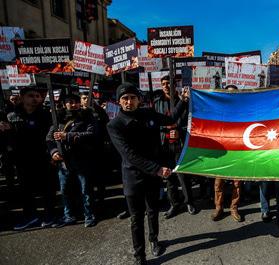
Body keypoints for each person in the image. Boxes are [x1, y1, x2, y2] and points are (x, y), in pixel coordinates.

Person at [107, 83, 188, 265]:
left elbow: (171, 120)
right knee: (136, 218)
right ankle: (139, 255)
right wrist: (158, 169)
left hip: (152, 177)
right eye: (125, 98)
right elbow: (130, 155)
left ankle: (154, 240)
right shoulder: (114, 125)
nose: (129, 102)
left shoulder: (148, 114)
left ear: (139, 100)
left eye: (132, 98)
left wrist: (182, 101)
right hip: (133, 178)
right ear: (119, 102)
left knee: (153, 211)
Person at [7, 87, 55, 230]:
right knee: (25, 190)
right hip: (22, 160)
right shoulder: (12, 116)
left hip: (42, 158)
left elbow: (51, 135)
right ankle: (30, 217)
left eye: (37, 96)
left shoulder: (46, 115)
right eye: (30, 96)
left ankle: (49, 215)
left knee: (47, 188)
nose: (35, 98)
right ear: (22, 97)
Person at [48, 93, 98, 228]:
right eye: (69, 101)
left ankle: (89, 215)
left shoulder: (87, 116)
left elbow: (92, 134)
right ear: (64, 104)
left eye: (76, 101)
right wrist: (54, 152)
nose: (73, 104)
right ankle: (68, 215)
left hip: (82, 160)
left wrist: (67, 136)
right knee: (65, 191)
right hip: (64, 162)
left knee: (86, 190)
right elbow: (49, 139)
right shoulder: (57, 118)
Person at [155, 76, 196, 218]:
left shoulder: (182, 100)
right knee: (169, 177)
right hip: (165, 145)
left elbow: (188, 119)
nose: (166, 86)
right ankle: (174, 204)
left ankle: (189, 202)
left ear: (174, 86)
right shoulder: (157, 103)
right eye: (163, 84)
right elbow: (157, 121)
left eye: (168, 84)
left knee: (183, 175)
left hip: (180, 143)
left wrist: (180, 129)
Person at [211, 85, 243, 222]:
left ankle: (233, 207)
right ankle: (219, 207)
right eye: (228, 93)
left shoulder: (242, 112)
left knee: (237, 183)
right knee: (219, 183)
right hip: (222, 153)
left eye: (233, 93)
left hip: (237, 153)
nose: (231, 95)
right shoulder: (219, 111)